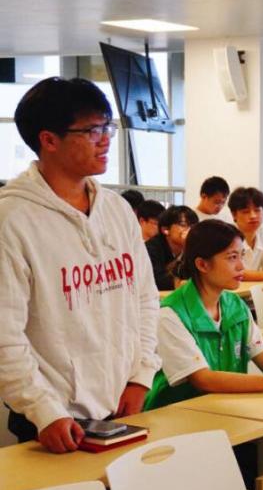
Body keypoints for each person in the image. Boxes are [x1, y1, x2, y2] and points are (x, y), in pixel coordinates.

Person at [0, 77, 160, 453]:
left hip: (122, 403)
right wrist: (44, 410)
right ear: (49, 140)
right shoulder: (13, 220)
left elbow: (144, 299)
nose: (105, 140)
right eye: (92, 131)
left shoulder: (117, 210)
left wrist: (141, 375)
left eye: (108, 127)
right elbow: (5, 333)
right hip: (54, 419)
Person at [144, 220, 263, 409]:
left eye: (241, 256)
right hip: (176, 411)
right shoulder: (170, 314)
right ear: (202, 264)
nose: (241, 266)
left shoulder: (235, 305)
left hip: (224, 405)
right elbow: (203, 379)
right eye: (232, 257)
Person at [227, 186, 263, 282]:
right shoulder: (227, 235)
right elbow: (232, 271)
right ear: (234, 214)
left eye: (257, 210)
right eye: (246, 212)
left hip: (251, 288)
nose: (253, 216)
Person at [147, 204, 198, 291]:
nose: (190, 230)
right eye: (183, 225)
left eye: (193, 226)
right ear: (165, 230)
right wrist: (180, 283)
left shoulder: (190, 248)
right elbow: (156, 279)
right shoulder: (151, 248)